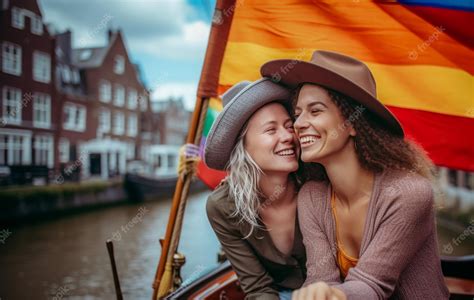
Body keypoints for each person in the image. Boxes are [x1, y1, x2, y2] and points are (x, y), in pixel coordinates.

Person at [260, 50, 449, 299]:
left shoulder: (408, 194)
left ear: (352, 123)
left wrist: (334, 295)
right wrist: (317, 292)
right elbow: (320, 278)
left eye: (315, 111)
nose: (298, 124)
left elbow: (372, 285)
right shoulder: (312, 197)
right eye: (298, 114)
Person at [205, 78, 307, 299]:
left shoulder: (317, 181)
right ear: (243, 147)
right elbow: (258, 287)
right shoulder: (222, 206)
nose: (288, 136)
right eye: (271, 130)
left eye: (289, 126)